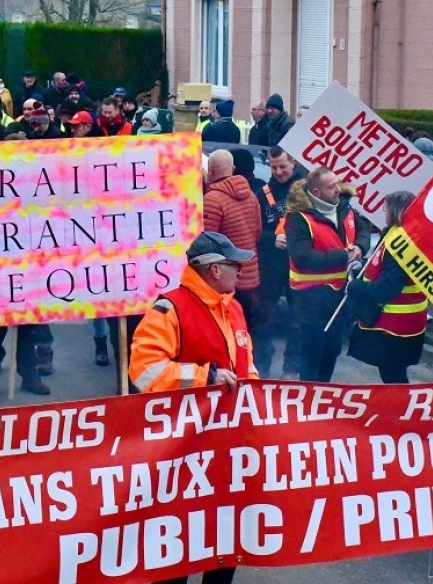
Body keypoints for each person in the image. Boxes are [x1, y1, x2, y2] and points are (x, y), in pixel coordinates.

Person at [130, 231, 257, 584]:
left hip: (228, 450)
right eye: (234, 264)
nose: (241, 270)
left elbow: (246, 366)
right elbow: (143, 371)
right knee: (179, 544)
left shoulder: (234, 307)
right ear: (214, 270)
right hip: (183, 451)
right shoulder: (170, 309)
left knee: (223, 543)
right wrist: (204, 378)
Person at [285, 166, 370, 382]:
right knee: (312, 353)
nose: (337, 189)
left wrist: (360, 247)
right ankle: (307, 400)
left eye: (337, 183)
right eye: (331, 186)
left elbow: (363, 231)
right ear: (316, 192)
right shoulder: (298, 218)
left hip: (341, 296)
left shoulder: (345, 208)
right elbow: (302, 257)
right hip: (311, 299)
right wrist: (344, 256)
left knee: (332, 351)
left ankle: (322, 395)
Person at [346, 191, 426, 383]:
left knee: (393, 374)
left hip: (395, 323)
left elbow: (386, 288)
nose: (384, 212)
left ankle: (402, 409)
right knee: (392, 371)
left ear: (396, 210)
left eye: (386, 208)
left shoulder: (400, 243)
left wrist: (354, 286)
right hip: (406, 321)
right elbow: (382, 263)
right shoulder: (402, 234)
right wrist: (364, 264)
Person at [253, 146, 304, 378]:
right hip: (271, 264)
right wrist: (271, 238)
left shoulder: (308, 189)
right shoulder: (262, 193)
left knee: (297, 320)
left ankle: (291, 370)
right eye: (274, 168)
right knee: (266, 318)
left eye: (283, 166)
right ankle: (261, 368)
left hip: (301, 264)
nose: (279, 172)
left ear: (293, 162)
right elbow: (252, 229)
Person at [203, 150, 262, 321]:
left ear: (211, 171)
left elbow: (208, 244)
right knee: (244, 327)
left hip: (225, 277)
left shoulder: (212, 199)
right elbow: (257, 232)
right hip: (250, 273)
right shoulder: (251, 195)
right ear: (233, 168)